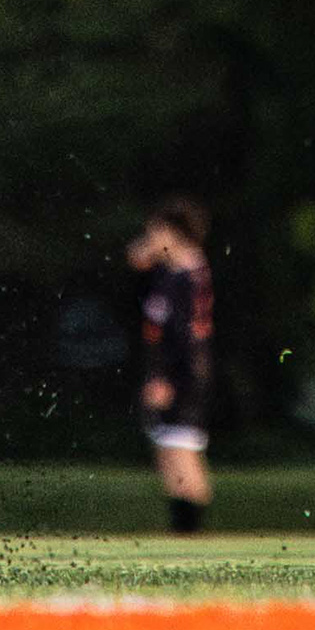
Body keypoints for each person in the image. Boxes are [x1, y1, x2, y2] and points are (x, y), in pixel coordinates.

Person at [127, 198, 215, 535]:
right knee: (167, 453)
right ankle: (182, 530)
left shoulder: (190, 276)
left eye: (157, 231)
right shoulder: (169, 274)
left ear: (174, 233)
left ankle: (191, 533)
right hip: (166, 370)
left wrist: (168, 378)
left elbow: (186, 336)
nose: (150, 238)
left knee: (181, 451)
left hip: (184, 372)